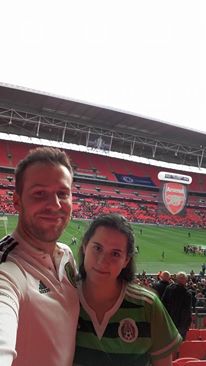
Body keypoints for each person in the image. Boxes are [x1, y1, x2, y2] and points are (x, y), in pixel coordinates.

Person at [0, 147, 79, 366]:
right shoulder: (7, 269)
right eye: (39, 193)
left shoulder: (66, 255)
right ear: (17, 201)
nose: (54, 205)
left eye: (62, 194)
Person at [73, 213, 182, 366]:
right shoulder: (64, 298)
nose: (103, 261)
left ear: (126, 261)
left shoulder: (148, 306)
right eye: (97, 248)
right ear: (85, 246)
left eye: (115, 254)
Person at [161, 271, 192, 340]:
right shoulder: (187, 293)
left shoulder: (169, 288)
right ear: (186, 281)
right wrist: (187, 323)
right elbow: (187, 311)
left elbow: (163, 304)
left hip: (169, 322)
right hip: (181, 324)